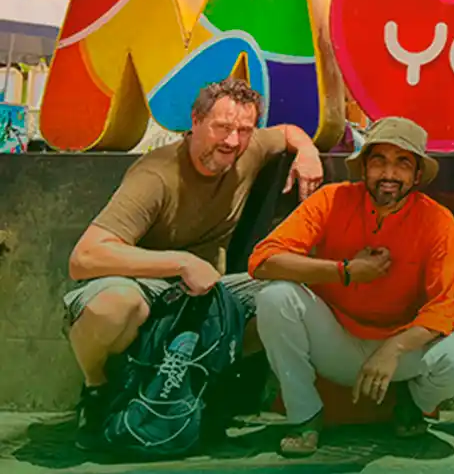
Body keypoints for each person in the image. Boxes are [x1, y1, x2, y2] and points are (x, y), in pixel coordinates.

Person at [64, 78, 323, 450]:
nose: (232, 140)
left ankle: (203, 388)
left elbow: (285, 132)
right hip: (144, 284)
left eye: (244, 130)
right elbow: (84, 257)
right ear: (196, 120)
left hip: (210, 295)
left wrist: (307, 150)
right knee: (113, 305)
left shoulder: (247, 149)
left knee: (287, 295)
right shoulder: (155, 175)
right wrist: (181, 263)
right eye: (222, 127)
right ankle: (96, 389)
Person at [248, 117, 454, 456]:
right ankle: (305, 416)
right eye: (379, 161)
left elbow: (445, 308)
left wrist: (394, 349)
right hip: (334, 341)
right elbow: (262, 260)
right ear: (364, 168)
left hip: (400, 348)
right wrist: (345, 272)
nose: (389, 173)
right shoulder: (331, 199)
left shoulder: (437, 220)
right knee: (275, 298)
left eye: (403, 163)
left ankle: (411, 404)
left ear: (417, 175)